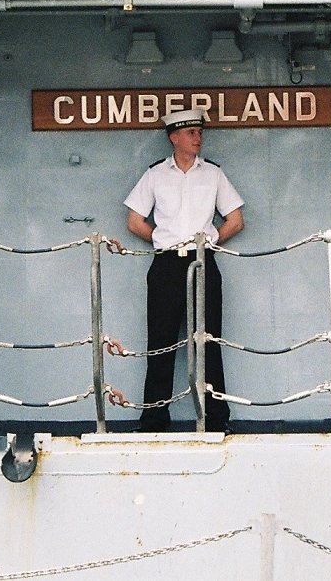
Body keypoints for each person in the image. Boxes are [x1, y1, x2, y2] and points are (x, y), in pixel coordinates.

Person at [122, 108, 244, 433]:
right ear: (174, 137)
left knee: (208, 342)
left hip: (203, 262)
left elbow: (236, 219)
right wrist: (164, 241)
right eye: (191, 133)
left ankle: (217, 421)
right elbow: (134, 221)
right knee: (160, 344)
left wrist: (210, 239)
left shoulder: (214, 174)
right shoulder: (155, 175)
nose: (198, 138)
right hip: (165, 266)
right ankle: (153, 423)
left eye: (200, 132)